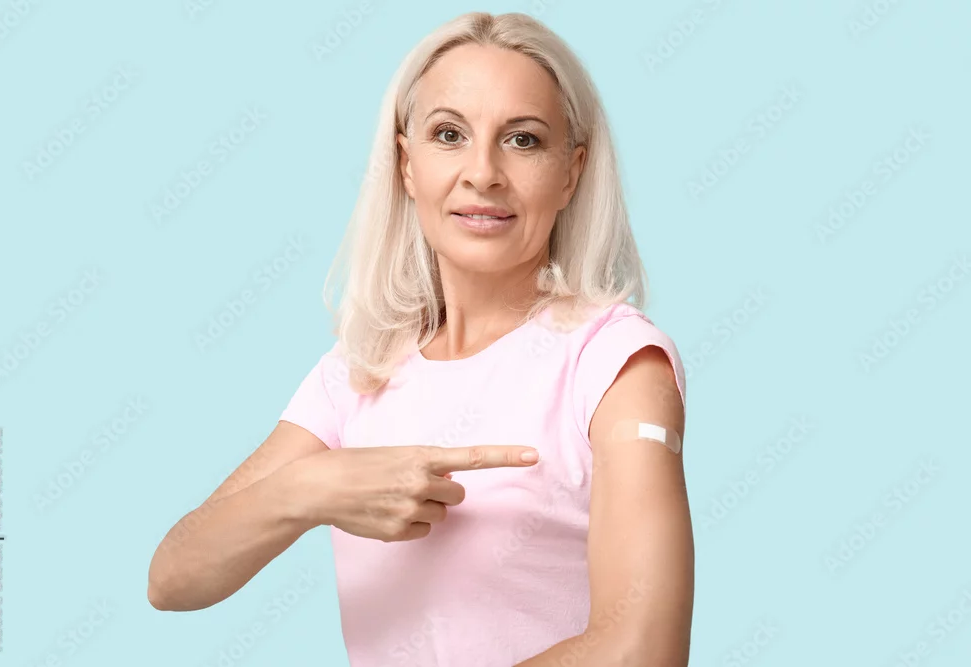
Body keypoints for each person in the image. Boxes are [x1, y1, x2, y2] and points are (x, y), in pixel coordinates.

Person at [147, 11, 693, 667]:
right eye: (449, 135)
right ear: (407, 165)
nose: (483, 173)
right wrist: (313, 487)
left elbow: (644, 648)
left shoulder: (615, 363)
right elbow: (172, 578)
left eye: (522, 140)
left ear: (570, 173)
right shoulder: (358, 374)